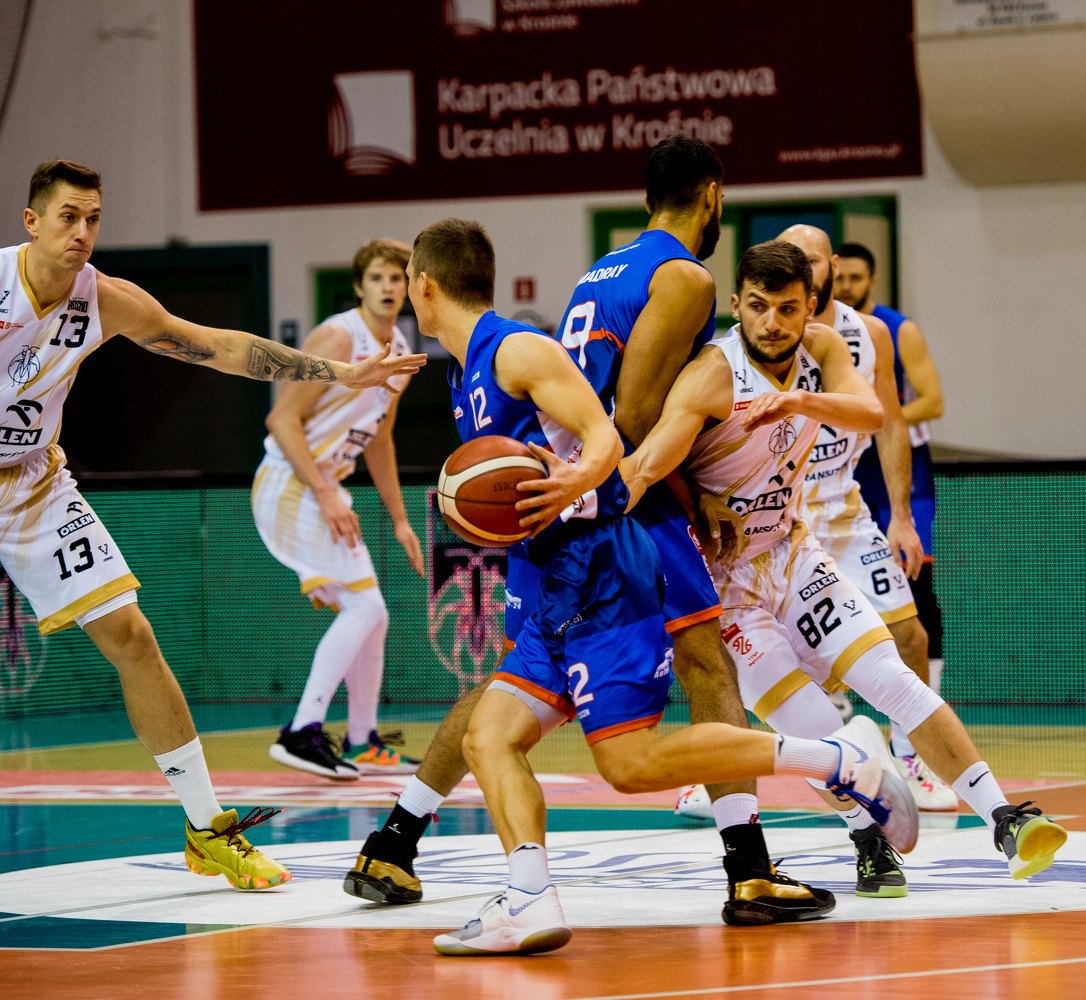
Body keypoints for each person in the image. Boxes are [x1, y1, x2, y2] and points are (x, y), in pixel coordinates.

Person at [0, 160, 425, 918]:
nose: (82, 232)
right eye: (68, 216)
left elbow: (215, 345)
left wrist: (341, 373)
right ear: (32, 221)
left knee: (133, 636)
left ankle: (209, 829)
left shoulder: (104, 298)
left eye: (93, 218)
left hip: (33, 485)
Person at [345, 137, 831, 926]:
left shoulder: (599, 273)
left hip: (552, 517)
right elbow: (632, 415)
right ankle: (753, 866)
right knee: (702, 667)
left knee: (511, 690)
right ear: (712, 195)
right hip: (618, 504)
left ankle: (396, 837)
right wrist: (683, 491)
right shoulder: (684, 277)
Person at [400, 219, 911, 956]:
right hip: (556, 574)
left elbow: (611, 435)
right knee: (490, 734)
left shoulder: (516, 348)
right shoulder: (463, 371)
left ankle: (838, 758)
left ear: (423, 284)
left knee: (630, 763)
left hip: (600, 566)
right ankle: (529, 898)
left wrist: (580, 483)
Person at [622, 240, 1068, 898]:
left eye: (787, 308)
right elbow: (646, 463)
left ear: (811, 308)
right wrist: (581, 500)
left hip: (792, 551)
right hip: (727, 580)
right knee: (812, 727)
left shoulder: (825, 349)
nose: (772, 322)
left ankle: (1006, 819)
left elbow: (872, 411)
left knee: (893, 679)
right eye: (758, 307)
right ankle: (866, 838)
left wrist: (799, 404)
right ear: (737, 306)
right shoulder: (713, 374)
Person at [773, 224, 956, 812]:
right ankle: (715, 779)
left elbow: (892, 423)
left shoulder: (869, 333)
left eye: (812, 260)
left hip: (844, 508)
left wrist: (901, 516)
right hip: (781, 516)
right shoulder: (763, 334)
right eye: (791, 259)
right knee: (748, 655)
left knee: (910, 635)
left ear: (832, 266)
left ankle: (913, 759)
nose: (802, 269)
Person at [257, 238, 426, 781]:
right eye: (377, 277)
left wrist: (400, 519)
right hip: (291, 484)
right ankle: (301, 731)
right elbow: (281, 420)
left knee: (373, 615)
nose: (388, 287)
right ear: (359, 286)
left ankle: (362, 740)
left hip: (325, 487)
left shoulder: (401, 348)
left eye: (397, 278)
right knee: (365, 608)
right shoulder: (338, 336)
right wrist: (326, 493)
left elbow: (381, 440)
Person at [835, 242, 947, 707]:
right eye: (841, 278)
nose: (847, 286)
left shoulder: (898, 329)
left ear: (873, 280)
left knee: (915, 580)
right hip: (848, 467)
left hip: (902, 468)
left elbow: (933, 400)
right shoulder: (820, 330)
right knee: (835, 582)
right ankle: (838, 692)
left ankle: (928, 697)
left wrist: (877, 420)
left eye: (856, 278)